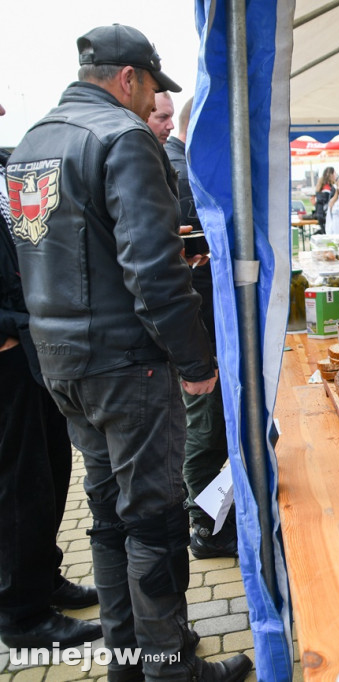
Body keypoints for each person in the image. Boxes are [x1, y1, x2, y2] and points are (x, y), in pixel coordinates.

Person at [6, 24, 251, 681]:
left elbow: (56, 250)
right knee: (153, 521)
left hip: (60, 359)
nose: (151, 103)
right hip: (126, 363)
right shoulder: (124, 137)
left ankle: (129, 661)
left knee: (111, 517)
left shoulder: (33, 141)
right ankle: (171, 667)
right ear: (126, 79)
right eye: (150, 89)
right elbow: (151, 269)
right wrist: (197, 363)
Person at [0, 102, 103, 650]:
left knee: (47, 474)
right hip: (9, 352)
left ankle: (43, 576)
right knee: (17, 486)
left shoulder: (8, 164)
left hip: (33, 349)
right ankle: (21, 614)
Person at [159, 96, 238, 560]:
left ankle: (212, 519)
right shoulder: (177, 168)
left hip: (204, 322)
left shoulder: (181, 165)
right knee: (205, 429)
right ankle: (205, 527)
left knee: (209, 427)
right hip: (199, 326)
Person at [312, 166, 336, 235]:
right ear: (331, 175)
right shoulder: (328, 189)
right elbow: (326, 204)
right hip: (325, 216)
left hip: (320, 215)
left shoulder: (321, 187)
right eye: (335, 173)